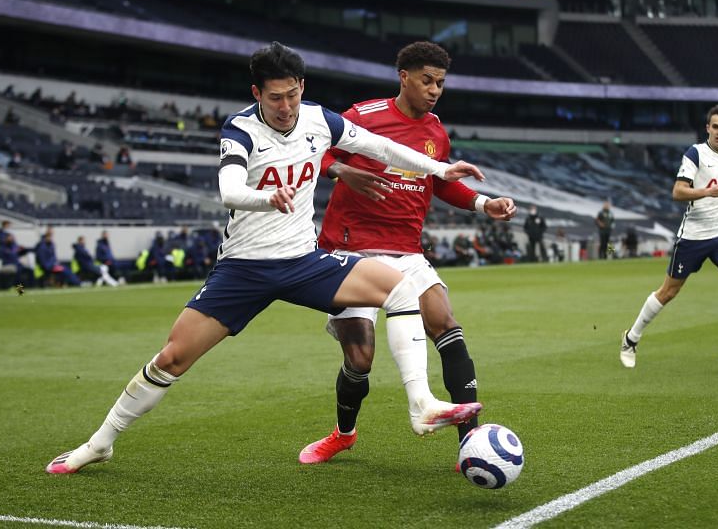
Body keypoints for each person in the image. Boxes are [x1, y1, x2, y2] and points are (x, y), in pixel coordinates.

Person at [45, 41, 484, 475]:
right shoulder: (239, 130)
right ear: (257, 94)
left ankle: (421, 403)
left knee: (400, 285)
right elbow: (228, 190)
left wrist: (442, 170)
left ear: (301, 86)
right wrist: (265, 197)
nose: (287, 106)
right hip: (244, 268)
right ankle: (100, 443)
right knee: (171, 359)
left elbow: (381, 148)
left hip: (303, 263)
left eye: (293, 94)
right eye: (276, 97)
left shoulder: (318, 119)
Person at [298, 41, 516, 465]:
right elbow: (315, 151)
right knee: (360, 358)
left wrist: (482, 203)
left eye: (440, 83)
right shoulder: (364, 117)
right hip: (351, 250)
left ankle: (469, 443)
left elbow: (442, 181)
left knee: (448, 328)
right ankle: (344, 434)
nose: (435, 90)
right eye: (427, 80)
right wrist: (343, 170)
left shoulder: (435, 130)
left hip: (407, 251)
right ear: (404, 77)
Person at [620, 104, 718, 369]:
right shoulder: (696, 154)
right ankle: (630, 338)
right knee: (669, 291)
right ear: (707, 128)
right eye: (714, 126)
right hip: (693, 236)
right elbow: (678, 191)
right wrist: (705, 192)